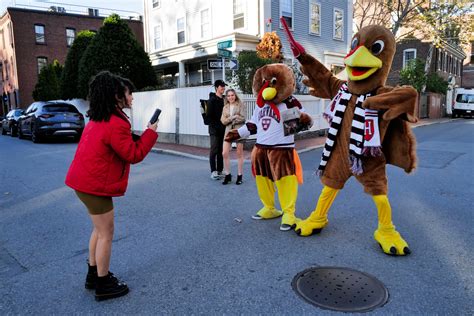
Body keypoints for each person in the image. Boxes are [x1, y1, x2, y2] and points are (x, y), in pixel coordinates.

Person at [65, 71, 158, 301]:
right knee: (107, 233)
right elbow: (133, 154)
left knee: (98, 229)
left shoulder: (99, 118)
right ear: (118, 96)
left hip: (83, 183)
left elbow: (119, 145)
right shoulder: (115, 123)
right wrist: (150, 133)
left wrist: (139, 135)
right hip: (93, 186)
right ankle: (103, 284)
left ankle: (93, 274)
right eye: (130, 93)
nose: (132, 97)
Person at [220, 89, 246, 185]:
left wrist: (234, 119)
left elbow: (243, 118)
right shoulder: (225, 107)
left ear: (235, 96)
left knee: (239, 153)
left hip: (239, 131)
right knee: (224, 153)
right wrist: (232, 117)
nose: (231, 97)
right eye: (229, 96)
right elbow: (223, 121)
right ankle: (228, 175)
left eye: (232, 95)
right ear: (226, 97)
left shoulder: (241, 104)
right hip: (228, 131)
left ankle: (239, 176)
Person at [207, 79, 226, 180]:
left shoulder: (224, 100)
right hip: (214, 130)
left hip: (223, 129)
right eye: (221, 86)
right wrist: (216, 126)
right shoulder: (212, 100)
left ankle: (220, 170)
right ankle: (213, 171)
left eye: (224, 86)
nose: (223, 88)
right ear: (216, 88)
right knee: (214, 150)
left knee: (221, 151)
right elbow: (209, 117)